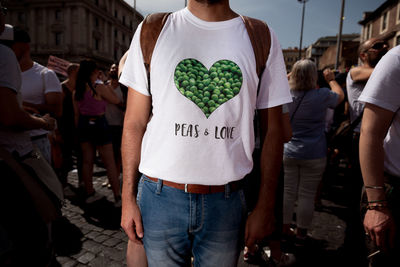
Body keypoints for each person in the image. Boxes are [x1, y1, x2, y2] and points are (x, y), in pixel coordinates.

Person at [120, 0, 292, 266]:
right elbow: (134, 122)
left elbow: (273, 132)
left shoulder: (260, 36)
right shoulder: (152, 29)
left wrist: (266, 206)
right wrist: (127, 198)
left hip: (227, 202)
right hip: (158, 197)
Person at [0, 18, 57, 265]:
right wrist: (42, 122)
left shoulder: (46, 73)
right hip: (17, 154)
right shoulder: (4, 57)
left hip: (33, 146)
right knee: (34, 224)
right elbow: (9, 115)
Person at [282, 60, 344, 245]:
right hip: (314, 152)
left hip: (289, 150)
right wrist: (331, 80)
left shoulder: (286, 95)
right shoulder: (322, 95)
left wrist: (288, 77)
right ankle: (301, 233)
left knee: (287, 192)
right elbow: (340, 97)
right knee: (307, 195)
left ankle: (285, 229)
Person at [344, 37, 388, 265]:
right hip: (359, 139)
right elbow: (384, 72)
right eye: (377, 46)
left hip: (380, 141)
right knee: (358, 196)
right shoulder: (356, 72)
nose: (385, 47)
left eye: (385, 45)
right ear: (363, 55)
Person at [358, 45, 400, 267]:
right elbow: (370, 133)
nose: (383, 46)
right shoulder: (396, 59)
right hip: (394, 189)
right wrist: (376, 205)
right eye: (376, 46)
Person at [73, 59, 122, 206]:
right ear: (95, 71)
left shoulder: (77, 90)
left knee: (87, 161)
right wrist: (103, 81)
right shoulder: (99, 86)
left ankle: (90, 193)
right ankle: (117, 196)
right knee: (110, 163)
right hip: (99, 124)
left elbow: (76, 115)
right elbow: (114, 99)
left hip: (83, 125)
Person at [11, 27, 63, 164]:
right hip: (8, 143)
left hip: (35, 142)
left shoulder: (45, 74)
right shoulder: (5, 74)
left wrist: (19, 104)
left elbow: (56, 110)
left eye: (10, 44)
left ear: (25, 46)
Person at [59, 63, 83, 190]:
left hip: (78, 126)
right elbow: (59, 110)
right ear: (73, 72)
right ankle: (64, 183)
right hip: (66, 126)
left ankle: (82, 181)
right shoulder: (62, 87)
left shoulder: (80, 88)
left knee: (81, 155)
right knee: (66, 156)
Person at [104, 63, 125, 185]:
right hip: (105, 124)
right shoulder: (104, 86)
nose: (113, 70)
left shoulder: (123, 88)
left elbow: (126, 105)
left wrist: (116, 102)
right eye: (111, 68)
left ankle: (116, 177)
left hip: (119, 125)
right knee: (107, 155)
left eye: (116, 69)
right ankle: (110, 177)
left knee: (116, 154)